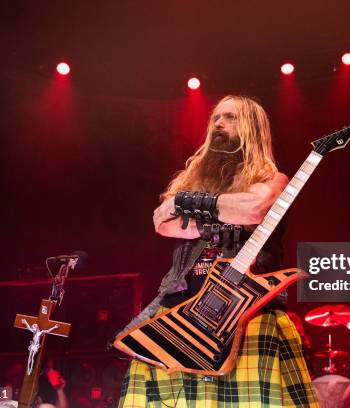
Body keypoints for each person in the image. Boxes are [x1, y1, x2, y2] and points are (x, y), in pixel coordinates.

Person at [117, 95, 318, 407]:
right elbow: (164, 222)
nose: (220, 124)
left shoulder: (274, 180)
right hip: (180, 310)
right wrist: (221, 212)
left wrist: (188, 203)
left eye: (231, 118)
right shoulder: (190, 180)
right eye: (217, 118)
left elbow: (253, 209)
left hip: (246, 314)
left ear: (253, 128)